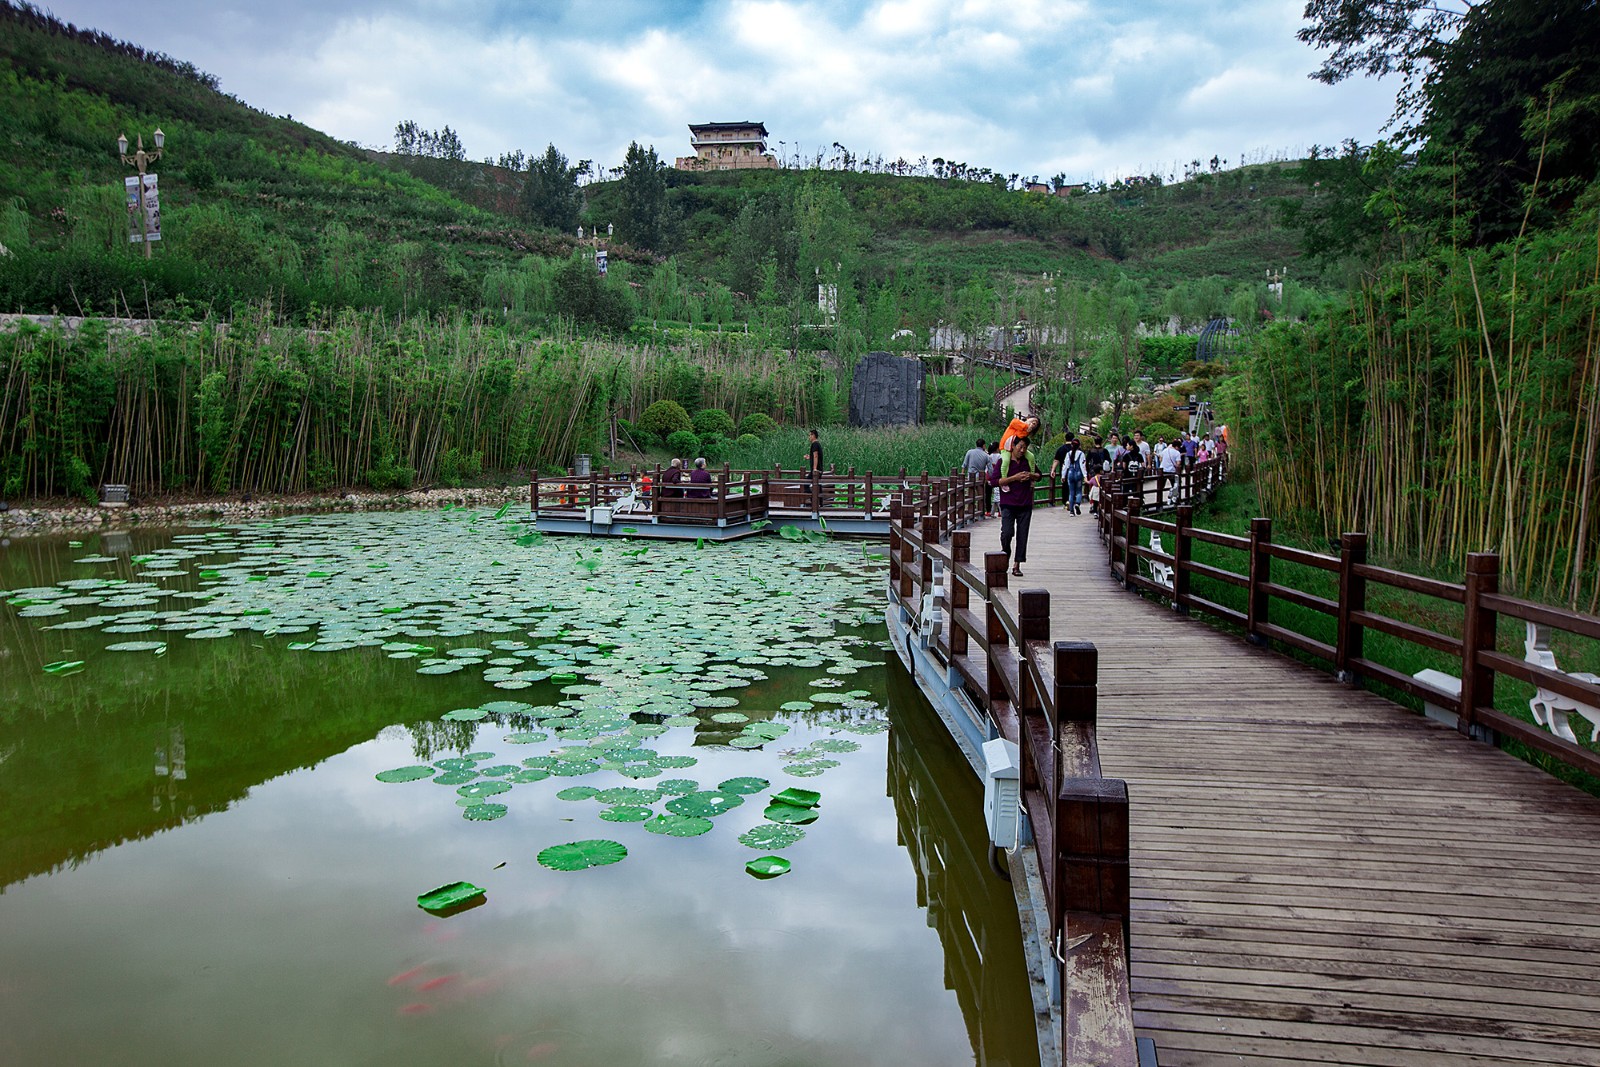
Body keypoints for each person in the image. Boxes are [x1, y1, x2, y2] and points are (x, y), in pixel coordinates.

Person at [990, 435, 1042, 577]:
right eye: (1020, 447)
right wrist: (1014, 478)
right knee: (1007, 533)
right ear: (1013, 446)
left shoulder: (1027, 461)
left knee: (1022, 534)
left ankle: (1017, 564)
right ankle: (1006, 552)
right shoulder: (1003, 461)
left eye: (1025, 448)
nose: (1022, 450)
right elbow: (994, 482)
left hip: (1025, 503)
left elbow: (1039, 475)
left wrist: (1030, 475)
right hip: (1008, 503)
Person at [1052, 436, 1089, 515]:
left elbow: (1065, 465)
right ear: (1079, 445)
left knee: (1071, 493)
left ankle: (1071, 511)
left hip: (1070, 473)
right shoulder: (1081, 454)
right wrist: (1085, 476)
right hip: (1078, 473)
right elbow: (1083, 466)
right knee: (1078, 491)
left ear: (1072, 445)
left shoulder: (1068, 454)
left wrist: (1063, 476)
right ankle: (1077, 503)